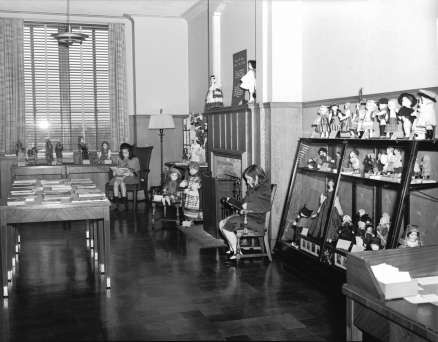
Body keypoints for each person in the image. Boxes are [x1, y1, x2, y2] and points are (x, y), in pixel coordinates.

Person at [219, 164, 271, 260]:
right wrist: (231, 201)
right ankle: (232, 248)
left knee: (229, 224)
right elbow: (243, 204)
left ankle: (237, 251)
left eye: (248, 179)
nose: (247, 182)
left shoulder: (264, 189)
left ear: (256, 177)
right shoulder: (252, 188)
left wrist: (248, 206)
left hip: (257, 221)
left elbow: (266, 206)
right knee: (221, 223)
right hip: (249, 217)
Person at [110, 143, 140, 210]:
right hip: (121, 176)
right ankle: (116, 202)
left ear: (130, 152)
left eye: (126, 152)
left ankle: (124, 201)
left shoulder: (135, 159)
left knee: (122, 182)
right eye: (123, 152)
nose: (124, 154)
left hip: (132, 176)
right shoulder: (120, 159)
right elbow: (119, 168)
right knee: (115, 183)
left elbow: (135, 171)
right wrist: (115, 171)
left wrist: (127, 160)